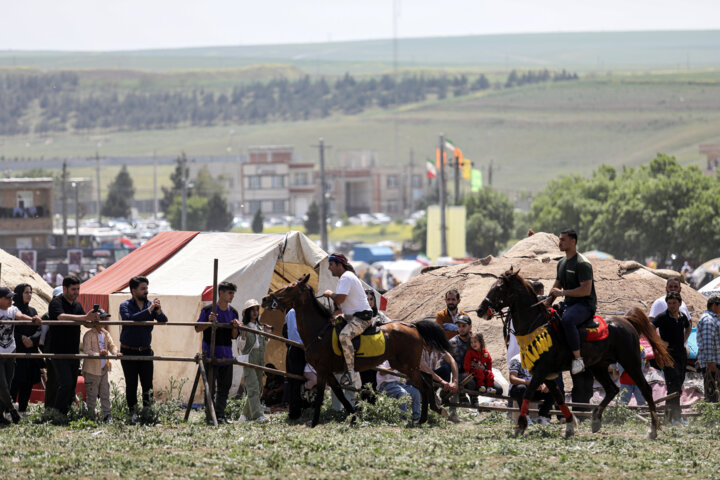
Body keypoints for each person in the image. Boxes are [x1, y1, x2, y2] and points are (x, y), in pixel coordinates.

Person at [47, 276, 100, 416]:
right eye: (73, 289)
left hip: (73, 351)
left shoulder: (77, 305)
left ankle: (67, 413)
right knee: (65, 383)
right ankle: (57, 414)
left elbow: (85, 323)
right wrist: (85, 318)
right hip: (58, 351)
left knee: (71, 386)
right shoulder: (56, 303)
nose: (76, 292)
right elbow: (61, 317)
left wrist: (94, 319)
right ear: (64, 288)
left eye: (78, 289)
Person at [547, 229, 597, 374]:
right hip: (569, 304)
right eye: (559, 239)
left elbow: (586, 290)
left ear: (573, 241)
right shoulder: (561, 263)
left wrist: (562, 293)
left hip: (584, 305)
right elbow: (557, 285)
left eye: (563, 240)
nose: (559, 242)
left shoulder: (582, 263)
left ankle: (578, 359)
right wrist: (547, 303)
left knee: (567, 320)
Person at [119, 276, 168, 422]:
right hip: (128, 350)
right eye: (143, 288)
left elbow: (164, 320)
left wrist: (158, 311)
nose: (146, 291)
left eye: (147, 288)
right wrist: (149, 310)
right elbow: (129, 319)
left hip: (145, 350)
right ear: (134, 291)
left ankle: (148, 414)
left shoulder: (150, 305)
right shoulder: (125, 305)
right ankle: (132, 414)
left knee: (148, 384)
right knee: (131, 384)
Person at [322, 253, 373, 388]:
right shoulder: (346, 277)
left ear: (339, 265)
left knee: (344, 336)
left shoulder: (346, 278)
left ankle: (351, 373)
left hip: (362, 318)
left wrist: (329, 293)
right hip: (352, 316)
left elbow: (339, 300)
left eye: (331, 265)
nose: (329, 268)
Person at [195, 281, 240, 424]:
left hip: (227, 354)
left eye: (233, 293)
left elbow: (234, 336)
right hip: (211, 354)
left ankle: (220, 415)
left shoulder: (233, 312)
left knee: (224, 388)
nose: (232, 296)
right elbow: (197, 328)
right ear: (221, 293)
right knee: (210, 389)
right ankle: (210, 416)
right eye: (229, 293)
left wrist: (234, 327)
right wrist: (209, 322)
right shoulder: (209, 310)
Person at [0, 286, 41, 424]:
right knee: (3, 385)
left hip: (11, 352)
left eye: (12, 297)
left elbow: (20, 316)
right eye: (8, 298)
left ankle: (2, 414)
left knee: (10, 383)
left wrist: (32, 319)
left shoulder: (13, 309)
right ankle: (11, 409)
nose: (11, 300)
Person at [652, 291, 691, 425]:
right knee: (672, 385)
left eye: (674, 303)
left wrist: (684, 340)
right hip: (668, 355)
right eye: (669, 303)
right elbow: (650, 327)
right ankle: (673, 417)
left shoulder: (682, 316)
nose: (671, 305)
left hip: (681, 354)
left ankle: (673, 417)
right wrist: (660, 342)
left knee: (678, 385)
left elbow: (689, 326)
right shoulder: (662, 317)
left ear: (679, 303)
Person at [10, 284, 42, 416]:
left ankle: (23, 409)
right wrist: (22, 338)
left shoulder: (33, 312)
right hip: (17, 351)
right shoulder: (12, 311)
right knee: (14, 382)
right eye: (26, 292)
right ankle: (9, 410)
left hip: (30, 351)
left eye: (30, 292)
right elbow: (9, 330)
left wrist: (32, 339)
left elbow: (39, 329)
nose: (29, 295)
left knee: (28, 382)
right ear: (19, 294)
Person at [81, 316, 121, 423]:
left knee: (105, 393)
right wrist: (99, 354)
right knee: (92, 395)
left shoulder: (105, 334)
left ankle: (107, 416)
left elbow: (112, 345)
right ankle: (91, 416)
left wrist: (116, 352)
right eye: (102, 319)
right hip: (92, 370)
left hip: (103, 369)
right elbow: (86, 350)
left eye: (104, 319)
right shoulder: (89, 334)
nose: (104, 322)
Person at [239, 299, 268, 423]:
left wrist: (267, 335)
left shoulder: (260, 327)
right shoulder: (243, 327)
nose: (255, 312)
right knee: (253, 387)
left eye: (257, 310)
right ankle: (258, 416)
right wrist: (244, 334)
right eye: (252, 310)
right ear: (247, 312)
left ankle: (244, 416)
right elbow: (241, 347)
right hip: (249, 359)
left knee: (259, 388)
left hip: (260, 359)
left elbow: (263, 344)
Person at [508, 353, 554, 425]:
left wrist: (545, 384)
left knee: (552, 389)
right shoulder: (516, 359)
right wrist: (528, 383)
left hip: (533, 389)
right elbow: (512, 379)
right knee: (521, 388)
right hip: (518, 389)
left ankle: (541, 417)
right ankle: (525, 417)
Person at [284, 308, 306, 420]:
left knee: (303, 380)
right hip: (298, 349)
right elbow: (293, 335)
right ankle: (295, 412)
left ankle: (302, 409)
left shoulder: (306, 311)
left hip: (303, 349)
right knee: (295, 381)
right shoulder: (293, 312)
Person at [697, 294, 720, 403]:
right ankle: (711, 419)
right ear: (715, 305)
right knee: (712, 394)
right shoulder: (708, 320)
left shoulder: (713, 319)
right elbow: (707, 342)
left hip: (715, 362)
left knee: (716, 393)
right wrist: (710, 363)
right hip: (712, 364)